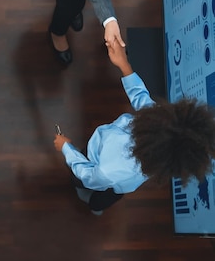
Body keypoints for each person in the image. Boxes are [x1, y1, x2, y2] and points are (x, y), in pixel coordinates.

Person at [53, 40, 215, 215]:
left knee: (87, 187)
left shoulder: (110, 168)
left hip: (95, 164)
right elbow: (142, 99)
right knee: (114, 193)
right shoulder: (163, 133)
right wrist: (124, 65)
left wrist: (66, 148)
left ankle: (93, 205)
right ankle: (98, 205)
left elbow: (88, 175)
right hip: (123, 184)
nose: (156, 112)